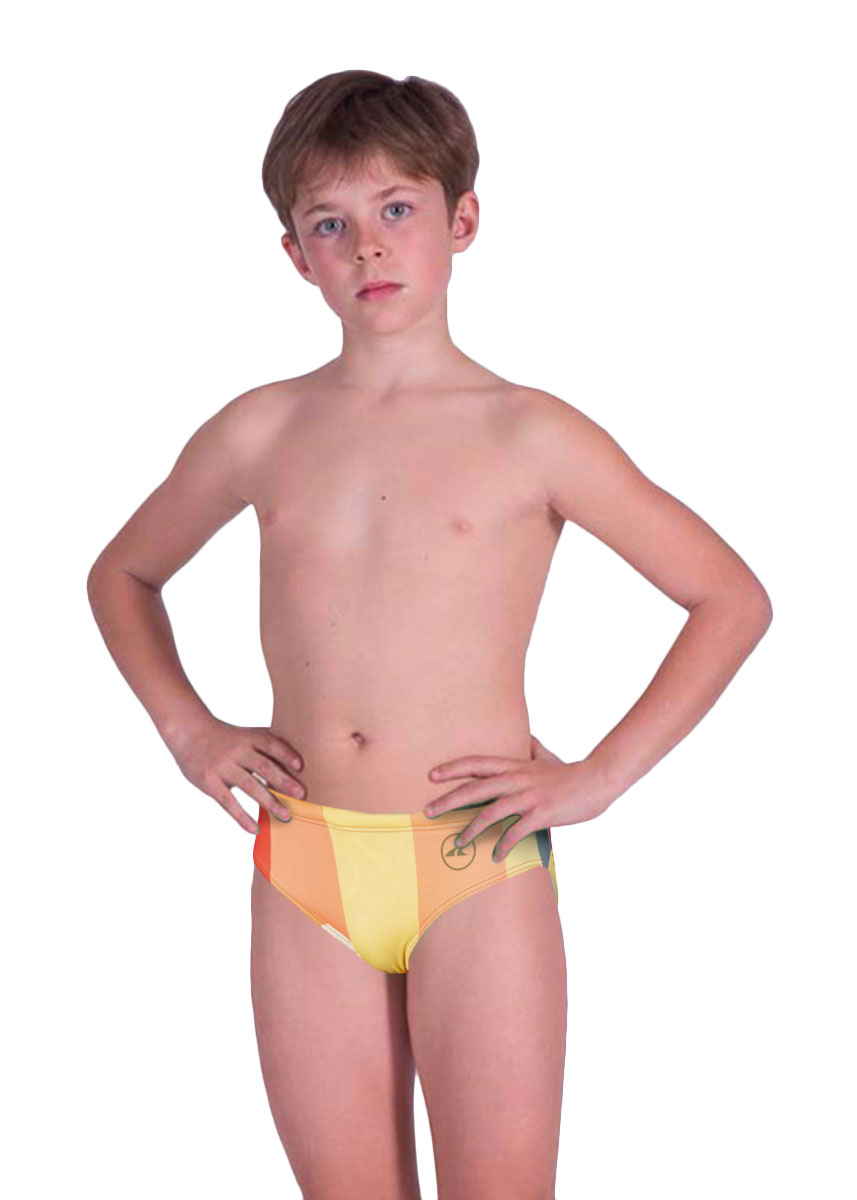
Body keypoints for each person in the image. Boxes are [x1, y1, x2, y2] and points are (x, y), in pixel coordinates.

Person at [86, 69, 773, 1200]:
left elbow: (728, 598)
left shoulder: (530, 432)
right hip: (305, 862)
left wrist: (600, 777)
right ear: (294, 255)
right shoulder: (259, 428)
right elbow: (123, 571)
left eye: (396, 209)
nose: (367, 246)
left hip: (475, 861)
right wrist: (187, 729)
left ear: (462, 220)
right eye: (329, 224)